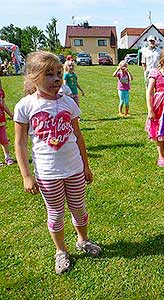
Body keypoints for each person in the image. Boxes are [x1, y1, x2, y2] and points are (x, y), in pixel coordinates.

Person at [13, 51, 101, 274]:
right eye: (49, 74)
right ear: (33, 77)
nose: (56, 79)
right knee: (55, 213)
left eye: (58, 73)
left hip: (74, 169)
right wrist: (26, 176)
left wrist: (86, 166)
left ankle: (83, 240)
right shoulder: (25, 106)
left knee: (79, 208)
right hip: (47, 173)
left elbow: (79, 137)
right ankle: (61, 251)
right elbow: (20, 144)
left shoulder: (68, 103)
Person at [0, 78, 15, 166]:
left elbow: (3, 105)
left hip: (1, 121)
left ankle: (7, 157)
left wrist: (11, 115)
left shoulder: (1, 92)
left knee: (4, 140)